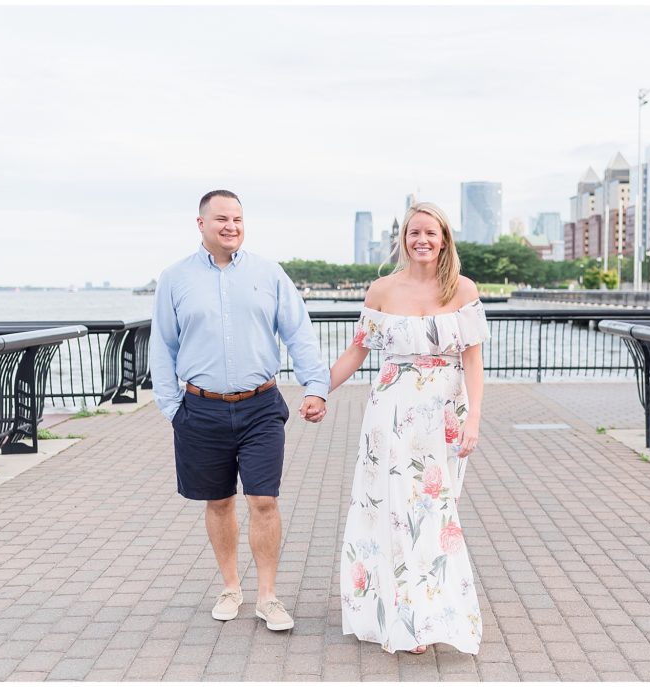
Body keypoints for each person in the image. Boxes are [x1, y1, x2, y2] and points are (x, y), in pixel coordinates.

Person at [150, 190, 329, 632]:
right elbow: (163, 345)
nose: (231, 226)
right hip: (200, 409)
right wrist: (173, 407)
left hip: (261, 406)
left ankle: (268, 596)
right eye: (221, 219)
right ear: (201, 224)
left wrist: (317, 387)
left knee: (263, 500)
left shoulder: (269, 274)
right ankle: (231, 586)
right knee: (218, 501)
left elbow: (299, 333)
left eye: (238, 219)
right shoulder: (174, 279)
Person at [328, 201, 488, 655]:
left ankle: (431, 604)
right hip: (391, 413)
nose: (422, 240)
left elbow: (473, 361)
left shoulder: (462, 290)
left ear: (444, 240)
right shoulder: (381, 290)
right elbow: (357, 350)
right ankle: (406, 613)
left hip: (444, 414)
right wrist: (319, 390)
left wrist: (474, 417)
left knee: (436, 510)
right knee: (395, 505)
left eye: (430, 233)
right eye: (414, 232)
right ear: (403, 238)